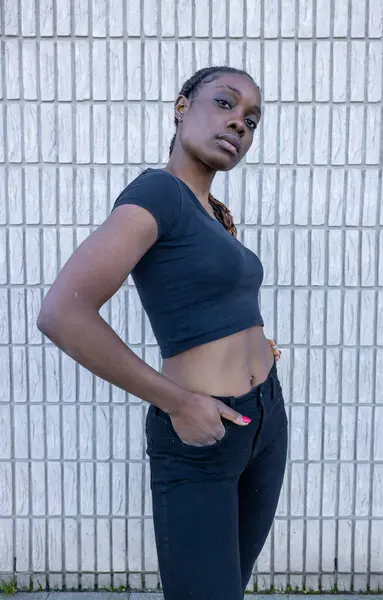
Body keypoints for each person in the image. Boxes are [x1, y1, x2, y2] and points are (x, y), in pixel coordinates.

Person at [37, 66, 287, 600]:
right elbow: (62, 313)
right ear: (181, 107)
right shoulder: (159, 193)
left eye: (251, 119)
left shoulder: (213, 213)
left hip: (262, 419)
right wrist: (177, 402)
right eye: (224, 103)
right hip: (202, 430)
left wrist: (254, 349)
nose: (239, 124)